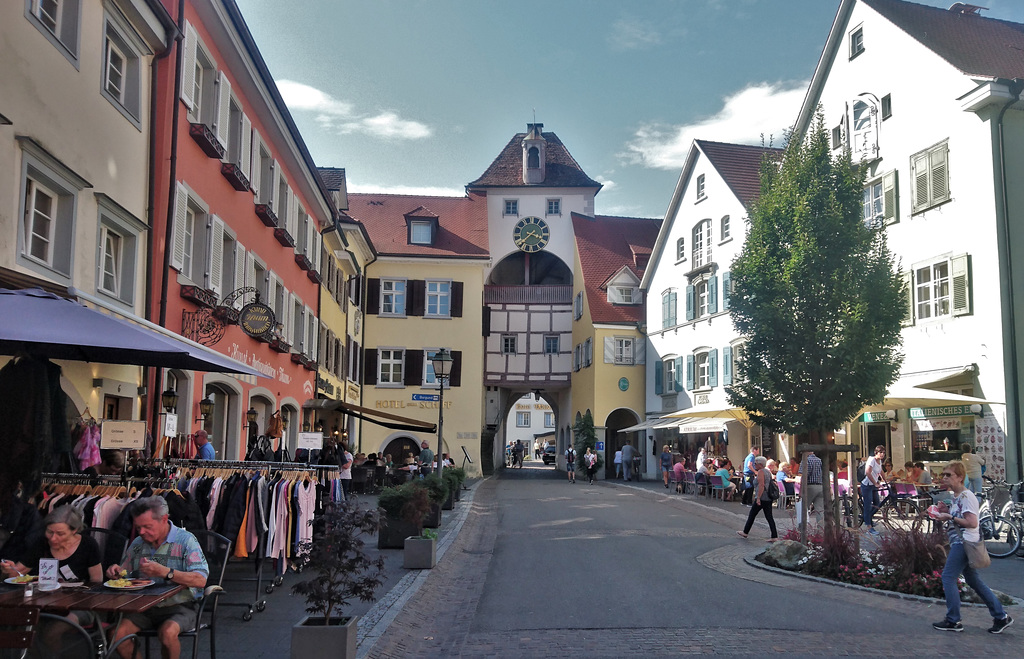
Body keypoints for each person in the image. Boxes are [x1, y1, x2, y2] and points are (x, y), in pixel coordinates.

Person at [107, 497, 209, 659]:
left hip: (181, 605)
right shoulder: (139, 543)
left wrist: (166, 573)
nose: (141, 532)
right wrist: (116, 571)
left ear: (164, 519)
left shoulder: (185, 540)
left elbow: (200, 580)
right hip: (144, 607)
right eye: (138, 527)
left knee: (167, 633)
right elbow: (124, 571)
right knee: (116, 634)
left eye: (147, 527)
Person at [931, 461, 1012, 634]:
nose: (944, 478)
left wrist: (950, 518)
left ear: (960, 477)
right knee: (973, 581)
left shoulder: (967, 497)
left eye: (949, 475)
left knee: (947, 577)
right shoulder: (958, 497)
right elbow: (960, 515)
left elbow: (972, 522)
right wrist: (947, 510)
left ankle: (954, 620)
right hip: (963, 542)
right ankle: (1001, 616)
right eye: (943, 474)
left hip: (964, 542)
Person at [736, 456, 778, 541]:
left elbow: (761, 485)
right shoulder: (767, 472)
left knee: (752, 515)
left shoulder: (761, 472)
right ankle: (774, 536)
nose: (754, 465)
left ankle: (745, 532)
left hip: (762, 496)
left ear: (760, 464)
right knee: (769, 517)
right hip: (768, 497)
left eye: (755, 463)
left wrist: (758, 497)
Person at [860, 445, 886, 536]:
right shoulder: (872, 460)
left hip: (873, 485)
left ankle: (868, 518)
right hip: (867, 485)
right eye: (880, 452)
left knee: (877, 503)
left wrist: (885, 481)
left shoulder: (879, 461)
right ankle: (869, 526)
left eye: (883, 452)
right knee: (868, 505)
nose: (882, 454)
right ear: (876, 453)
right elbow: (868, 472)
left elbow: (881, 472)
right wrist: (875, 483)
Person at [799, 451, 824, 530]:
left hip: (810, 486)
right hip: (820, 486)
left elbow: (804, 476)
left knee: (804, 508)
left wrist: (800, 490)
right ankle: (821, 530)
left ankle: (802, 529)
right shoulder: (820, 460)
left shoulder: (805, 460)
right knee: (820, 510)